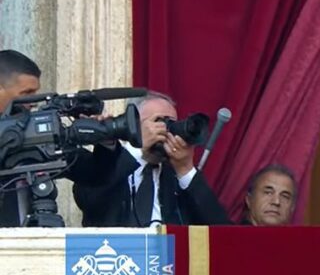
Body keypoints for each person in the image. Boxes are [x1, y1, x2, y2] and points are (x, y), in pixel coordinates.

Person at [72, 91, 231, 227]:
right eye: (159, 121)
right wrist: (138, 150)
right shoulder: (109, 161)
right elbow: (87, 198)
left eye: (171, 124)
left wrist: (186, 170)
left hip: (170, 259)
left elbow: (221, 229)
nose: (166, 130)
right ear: (133, 124)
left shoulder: (176, 176)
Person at [0, 50, 42, 226]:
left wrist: (105, 143)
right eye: (27, 93)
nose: (33, 101)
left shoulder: (32, 129)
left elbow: (92, 174)